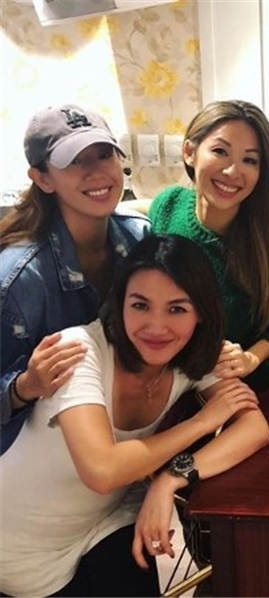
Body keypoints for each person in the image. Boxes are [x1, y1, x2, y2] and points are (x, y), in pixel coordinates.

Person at [0, 234, 269, 597]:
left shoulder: (196, 354)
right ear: (121, 303)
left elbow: (254, 427)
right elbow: (102, 470)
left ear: (201, 313)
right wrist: (202, 422)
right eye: (140, 305)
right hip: (19, 545)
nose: (156, 327)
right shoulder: (77, 351)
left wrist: (171, 478)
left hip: (104, 520)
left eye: (177, 309)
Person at [0, 104, 148, 451]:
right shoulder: (19, 280)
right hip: (34, 456)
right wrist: (25, 385)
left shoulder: (140, 239)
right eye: (75, 161)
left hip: (123, 433)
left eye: (104, 154)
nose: (97, 172)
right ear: (43, 178)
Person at [149, 100, 269, 390]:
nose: (233, 171)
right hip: (162, 382)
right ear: (189, 152)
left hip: (235, 389)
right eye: (220, 151)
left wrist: (250, 358)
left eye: (250, 160)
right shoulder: (167, 206)